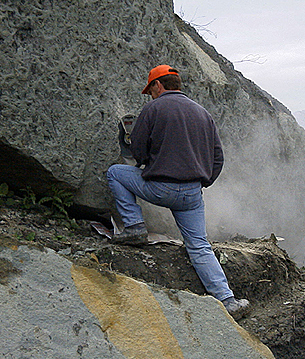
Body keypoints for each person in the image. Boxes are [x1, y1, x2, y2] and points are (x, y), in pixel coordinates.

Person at [106, 65, 250, 319]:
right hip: (192, 194)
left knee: (116, 172)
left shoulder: (153, 108)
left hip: (161, 187)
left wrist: (148, 157)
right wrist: (202, 182)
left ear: (158, 86)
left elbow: (136, 151)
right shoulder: (203, 113)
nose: (150, 95)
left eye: (150, 89)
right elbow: (218, 158)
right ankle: (228, 301)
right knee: (199, 245)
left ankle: (134, 226)